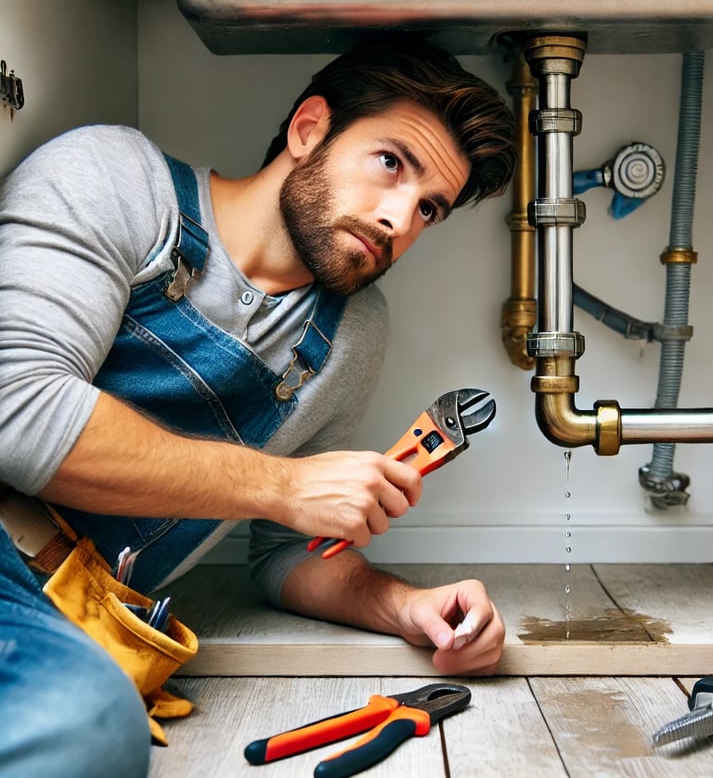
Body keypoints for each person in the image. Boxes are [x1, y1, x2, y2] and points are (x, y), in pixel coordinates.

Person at [0, 39, 516, 776]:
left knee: (85, 721)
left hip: (73, 620)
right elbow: (16, 411)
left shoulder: (350, 337)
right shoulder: (115, 178)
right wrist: (284, 485)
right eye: (391, 163)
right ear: (309, 129)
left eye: (430, 207)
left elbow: (282, 553)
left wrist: (407, 607)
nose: (402, 217)